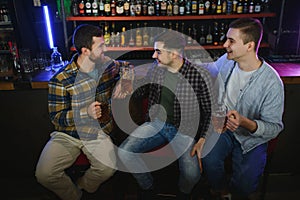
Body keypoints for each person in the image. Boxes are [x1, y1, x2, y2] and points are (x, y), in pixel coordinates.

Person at [35, 24, 132, 200]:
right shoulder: (61, 79)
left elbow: (127, 66)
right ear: (85, 51)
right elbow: (56, 118)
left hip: (97, 131)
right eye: (101, 46)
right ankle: (74, 195)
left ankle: (83, 185)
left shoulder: (106, 66)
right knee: (44, 174)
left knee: (108, 168)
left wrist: (126, 80)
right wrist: (84, 113)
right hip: (68, 134)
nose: (106, 49)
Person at [117, 30, 213, 200]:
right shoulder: (157, 69)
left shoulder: (200, 75)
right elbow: (144, 91)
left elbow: (209, 111)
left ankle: (183, 193)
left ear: (174, 54)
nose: (154, 55)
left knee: (192, 175)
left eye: (158, 51)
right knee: (124, 153)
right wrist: (129, 87)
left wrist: (203, 138)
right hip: (156, 124)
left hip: (185, 130)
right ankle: (149, 188)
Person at [201, 18, 284, 199]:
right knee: (208, 157)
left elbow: (274, 128)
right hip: (223, 129)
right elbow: (208, 69)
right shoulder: (227, 61)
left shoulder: (272, 82)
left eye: (231, 41)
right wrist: (178, 60)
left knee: (245, 185)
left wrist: (245, 122)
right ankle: (222, 191)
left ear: (249, 46)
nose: (225, 45)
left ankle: (235, 193)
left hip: (251, 138)